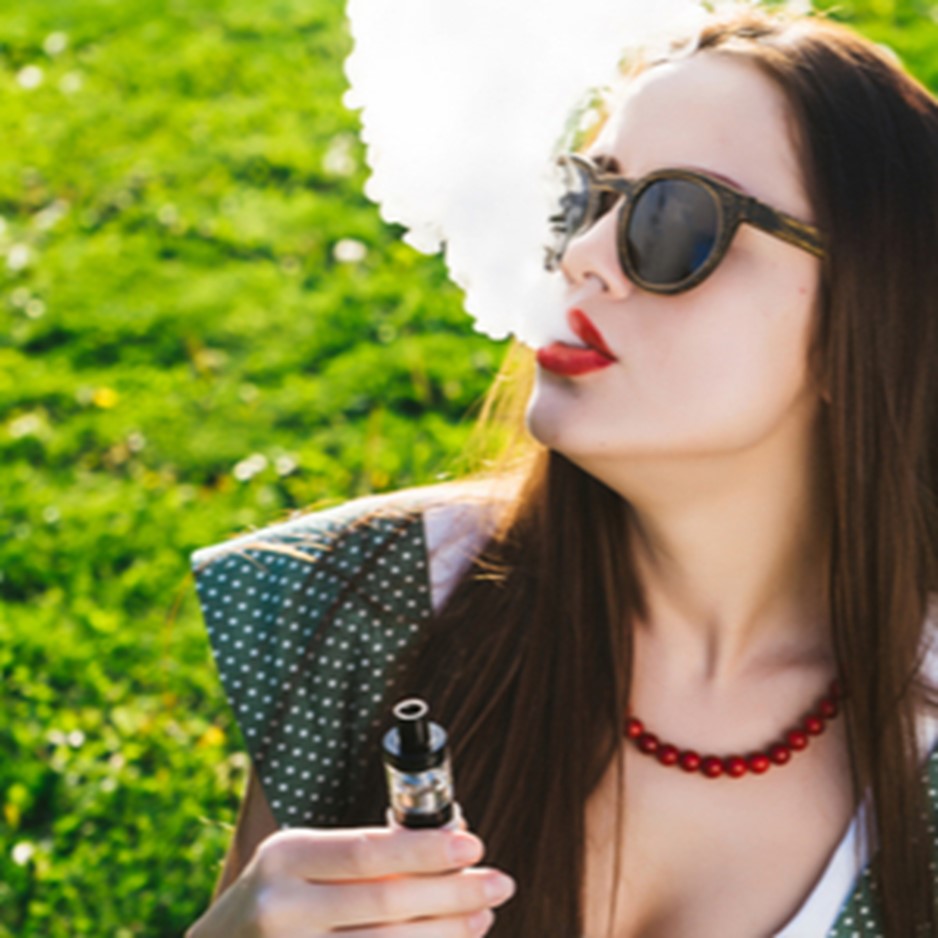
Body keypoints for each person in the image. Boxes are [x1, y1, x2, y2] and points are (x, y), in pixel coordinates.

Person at [185, 6, 938, 937]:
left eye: (674, 220)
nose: (580, 258)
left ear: (870, 314)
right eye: (584, 200)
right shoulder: (364, 604)